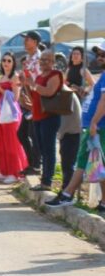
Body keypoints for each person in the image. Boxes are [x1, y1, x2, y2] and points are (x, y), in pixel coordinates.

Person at [48, 41, 105, 214]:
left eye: (103, 55)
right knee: (99, 164)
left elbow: (104, 101)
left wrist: (94, 122)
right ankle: (103, 203)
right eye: (99, 54)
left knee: (82, 160)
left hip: (98, 127)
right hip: (95, 125)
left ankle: (67, 194)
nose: (100, 57)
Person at [23, 50, 64, 191]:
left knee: (48, 150)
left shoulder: (55, 75)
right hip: (38, 117)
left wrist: (33, 84)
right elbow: (34, 95)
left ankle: (47, 181)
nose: (43, 62)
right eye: (42, 59)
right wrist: (27, 85)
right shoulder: (40, 76)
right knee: (41, 149)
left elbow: (49, 92)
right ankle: (44, 179)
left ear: (53, 62)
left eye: (47, 60)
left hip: (49, 117)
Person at [0, 52, 27, 184]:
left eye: (9, 61)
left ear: (13, 63)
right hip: (0, 110)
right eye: (4, 60)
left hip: (11, 113)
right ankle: (3, 171)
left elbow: (15, 98)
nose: (6, 63)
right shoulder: (2, 77)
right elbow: (2, 94)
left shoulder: (15, 77)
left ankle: (15, 172)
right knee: (1, 141)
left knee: (12, 142)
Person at [19, 30, 43, 174]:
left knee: (34, 134)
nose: (25, 41)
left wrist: (34, 101)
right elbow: (28, 83)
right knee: (22, 133)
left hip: (40, 100)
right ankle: (32, 163)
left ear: (35, 42)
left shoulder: (39, 59)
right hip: (31, 100)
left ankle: (36, 165)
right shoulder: (28, 58)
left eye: (27, 39)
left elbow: (38, 82)